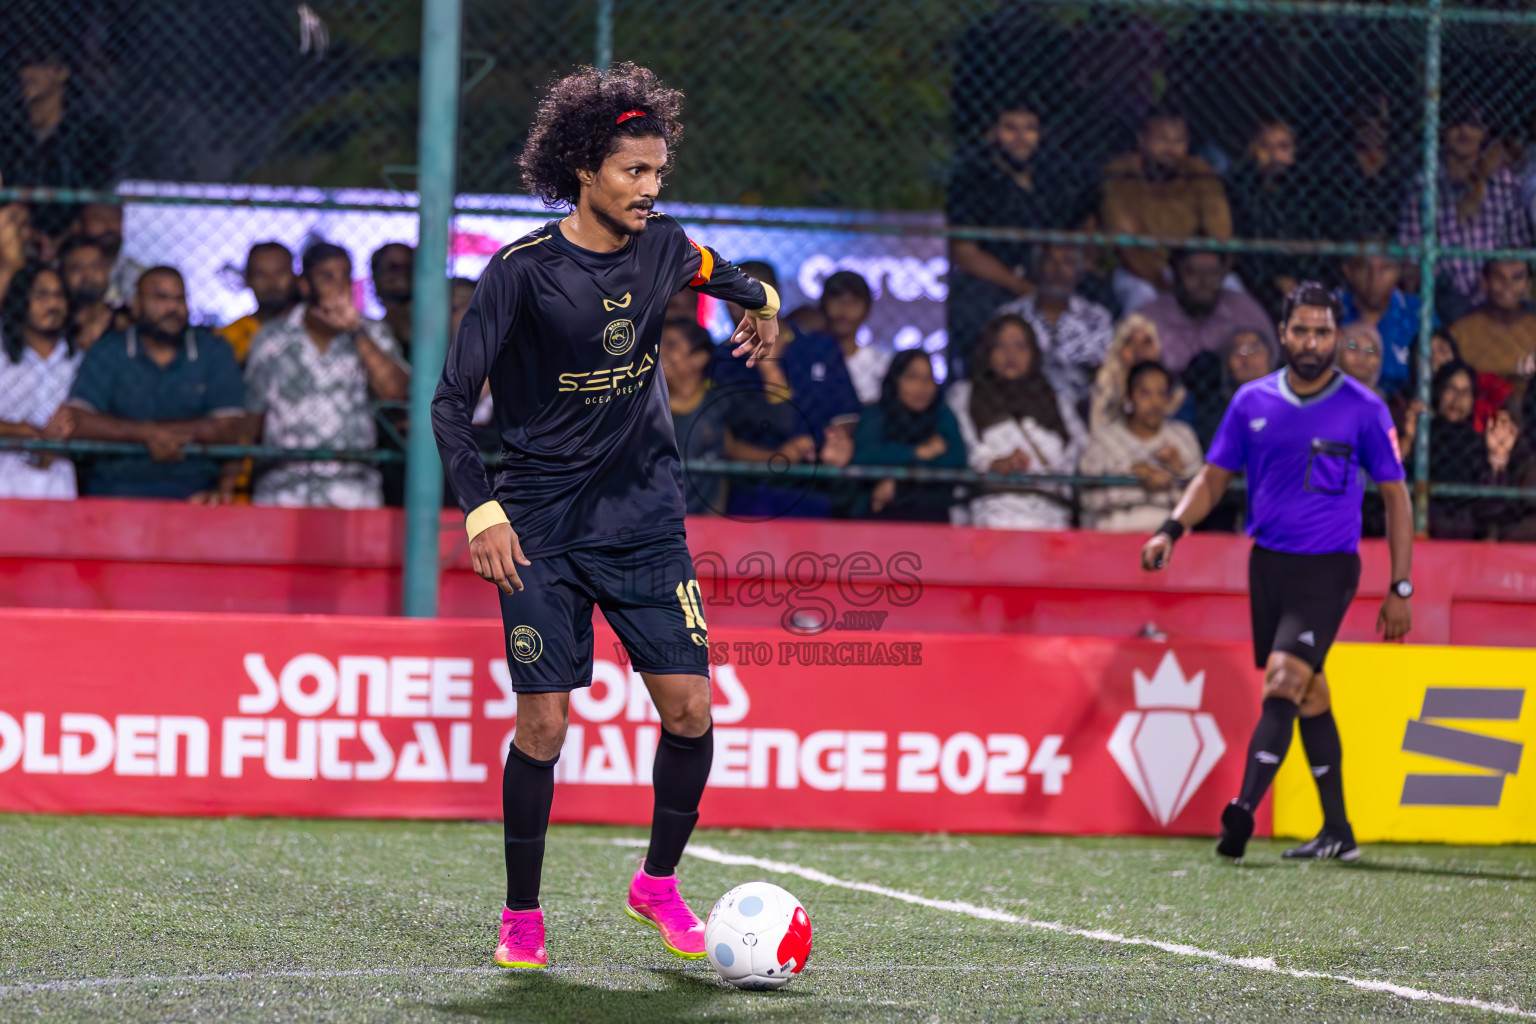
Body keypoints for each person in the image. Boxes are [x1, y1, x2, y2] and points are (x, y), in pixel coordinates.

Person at [430, 64, 781, 972]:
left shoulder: (664, 246)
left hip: (644, 521)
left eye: (659, 172)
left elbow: (728, 277)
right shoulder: (520, 274)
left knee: (692, 709)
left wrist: (764, 307)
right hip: (539, 531)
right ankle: (521, 913)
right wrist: (483, 515)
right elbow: (448, 403)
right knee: (542, 728)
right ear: (586, 168)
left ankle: (657, 884)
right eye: (634, 172)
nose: (651, 189)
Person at [1141, 283, 1413, 863]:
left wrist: (1400, 587)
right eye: (1302, 330)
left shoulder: (1365, 409)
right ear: (1282, 333)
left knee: (1284, 680)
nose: (1312, 342)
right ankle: (1337, 830)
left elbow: (1396, 497)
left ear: (1337, 336)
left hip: (1328, 571)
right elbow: (1213, 477)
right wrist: (1171, 529)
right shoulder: (1251, 402)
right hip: (1267, 566)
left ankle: (1242, 811)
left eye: (1323, 332)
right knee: (1310, 693)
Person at [236, 243, 410, 509]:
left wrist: (356, 332)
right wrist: (229, 480)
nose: (338, 286)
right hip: (282, 489)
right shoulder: (271, 338)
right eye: (327, 277)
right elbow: (252, 419)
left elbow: (396, 393)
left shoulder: (373, 333)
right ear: (305, 285)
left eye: (345, 276)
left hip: (354, 490)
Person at [55, 267, 246, 499]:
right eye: (161, 298)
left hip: (195, 490)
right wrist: (147, 434)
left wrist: (155, 435)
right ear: (136, 305)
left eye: (179, 299)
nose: (172, 308)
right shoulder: (108, 350)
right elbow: (78, 420)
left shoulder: (213, 350)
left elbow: (229, 425)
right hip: (115, 488)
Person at [946, 102, 1088, 378]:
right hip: (993, 278)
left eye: (1030, 129)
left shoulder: (1052, 175)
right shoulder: (974, 178)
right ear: (992, 134)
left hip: (1046, 274)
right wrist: (1019, 286)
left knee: (1096, 295)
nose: (1021, 138)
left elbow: (1075, 231)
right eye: (1010, 128)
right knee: (972, 306)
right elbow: (965, 252)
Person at [709, 260, 859, 519]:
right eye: (727, 292)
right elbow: (719, 435)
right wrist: (776, 457)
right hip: (748, 489)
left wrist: (837, 441)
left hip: (814, 486)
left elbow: (846, 414)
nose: (735, 300)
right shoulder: (722, 360)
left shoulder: (819, 348)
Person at [949, 313, 1086, 530]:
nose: (1010, 355)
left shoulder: (1056, 400)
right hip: (992, 508)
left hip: (1050, 511)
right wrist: (994, 464)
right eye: (1001, 346)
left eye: (1020, 347)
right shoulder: (965, 396)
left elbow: (1078, 447)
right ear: (987, 352)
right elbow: (964, 444)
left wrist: (1048, 471)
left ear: (1034, 354)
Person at [1399, 102, 1532, 318]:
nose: (1464, 130)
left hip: (1495, 291)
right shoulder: (1424, 185)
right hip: (1442, 297)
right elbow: (1410, 255)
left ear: (1485, 133)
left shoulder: (1505, 184)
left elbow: (1519, 247)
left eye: (1473, 123)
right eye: (1456, 122)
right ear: (1443, 129)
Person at [1100, 106, 1233, 314]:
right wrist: (1159, 280)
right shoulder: (1122, 174)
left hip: (1195, 268)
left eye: (1178, 141)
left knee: (1234, 296)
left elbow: (1220, 233)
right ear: (1142, 139)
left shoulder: (1199, 174)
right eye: (1161, 139)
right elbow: (1127, 246)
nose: (1170, 148)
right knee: (1143, 298)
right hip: (1140, 271)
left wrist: (1196, 276)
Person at [0, 45, 119, 241]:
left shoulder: (90, 135)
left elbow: (93, 192)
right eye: (24, 66)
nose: (27, 73)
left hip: (68, 235)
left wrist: (60, 237)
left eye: (39, 65)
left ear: (61, 72)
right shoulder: (10, 132)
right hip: (14, 228)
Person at [1079, 361, 1204, 533]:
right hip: (1115, 536)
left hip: (1170, 540)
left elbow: (1201, 505)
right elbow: (1088, 499)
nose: (1155, 402)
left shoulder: (1183, 437)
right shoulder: (1103, 439)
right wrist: (1136, 477)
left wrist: (1178, 473)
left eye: (1162, 393)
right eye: (1145, 393)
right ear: (1128, 397)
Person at [997, 244, 1113, 419]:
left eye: (1067, 262)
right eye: (1051, 261)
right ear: (1038, 267)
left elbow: (1103, 372)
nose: (1058, 271)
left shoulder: (1096, 318)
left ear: (1079, 271)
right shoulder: (1011, 315)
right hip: (1022, 408)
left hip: (1081, 411)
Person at [850, 350, 967, 521]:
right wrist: (917, 452)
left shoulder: (941, 414)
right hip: (878, 509)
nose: (921, 387)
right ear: (895, 380)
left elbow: (957, 459)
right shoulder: (877, 413)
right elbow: (865, 456)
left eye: (928, 379)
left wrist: (897, 479)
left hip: (930, 508)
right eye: (912, 377)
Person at [1428, 360, 1536, 539]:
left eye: (1465, 392)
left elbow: (1493, 506)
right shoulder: (1423, 437)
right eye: (1451, 389)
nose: (1458, 399)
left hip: (1473, 524)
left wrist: (1497, 460)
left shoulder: (1477, 443)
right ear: (1439, 392)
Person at [0, 265, 81, 498]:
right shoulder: (3, 354)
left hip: (58, 486)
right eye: (42, 295)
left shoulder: (78, 360)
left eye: (59, 295)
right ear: (21, 300)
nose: (52, 304)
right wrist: (29, 432)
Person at [1227, 118, 1319, 312]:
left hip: (1299, 275)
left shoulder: (1308, 191)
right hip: (1254, 278)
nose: (1275, 155)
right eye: (1265, 147)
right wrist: (1276, 278)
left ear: (1294, 151)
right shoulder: (1239, 188)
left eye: (1283, 147)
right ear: (1252, 148)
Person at [1140, 248, 1276, 376]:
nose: (1203, 281)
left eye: (1211, 272)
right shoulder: (1150, 316)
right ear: (1176, 272)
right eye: (1192, 272)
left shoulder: (1243, 310)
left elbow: (1271, 358)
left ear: (1223, 273)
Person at [1449, 260, 1536, 391]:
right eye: (1499, 277)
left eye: (1517, 277)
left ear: (1528, 283)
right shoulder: (1460, 332)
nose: (1508, 285)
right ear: (1484, 282)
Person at [1339, 252, 1419, 393]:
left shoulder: (1418, 314)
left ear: (1398, 272)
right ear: (1349, 271)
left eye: (1384, 269)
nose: (1374, 279)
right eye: (1364, 268)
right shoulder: (1330, 312)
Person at [1089, 313, 1184, 432]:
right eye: (1129, 342)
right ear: (1118, 349)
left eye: (1147, 342)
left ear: (1157, 349)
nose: (1138, 350)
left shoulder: (1176, 395)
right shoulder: (1103, 390)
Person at [218, 242, 299, 364]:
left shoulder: (318, 325)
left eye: (280, 272)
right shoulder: (230, 338)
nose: (271, 282)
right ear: (248, 279)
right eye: (260, 274)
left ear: (294, 275)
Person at [820, 270, 889, 405]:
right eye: (837, 299)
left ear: (867, 309)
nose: (844, 309)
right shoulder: (808, 359)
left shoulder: (881, 364)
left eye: (854, 302)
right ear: (823, 304)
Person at [57, 235, 128, 350]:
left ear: (108, 270)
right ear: (63, 274)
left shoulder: (126, 323)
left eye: (95, 266)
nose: (87, 274)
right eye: (76, 268)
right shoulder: (53, 324)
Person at [370, 243, 415, 356]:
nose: (399, 274)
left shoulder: (441, 328)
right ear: (376, 276)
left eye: (406, 267)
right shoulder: (371, 334)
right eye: (391, 267)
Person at [1337, 322, 1385, 393]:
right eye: (1353, 347)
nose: (1361, 358)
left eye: (1370, 351)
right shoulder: (1323, 395)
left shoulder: (1378, 401)